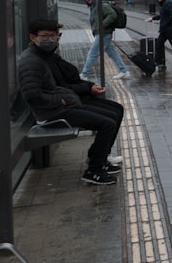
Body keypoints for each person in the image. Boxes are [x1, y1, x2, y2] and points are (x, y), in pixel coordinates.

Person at [17, 19, 124, 185]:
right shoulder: (31, 61)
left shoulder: (44, 55)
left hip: (61, 105)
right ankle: (93, 170)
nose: (51, 40)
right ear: (33, 37)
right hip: (52, 113)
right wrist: (61, 100)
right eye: (46, 36)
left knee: (115, 111)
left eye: (54, 36)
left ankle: (99, 160)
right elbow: (32, 96)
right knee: (107, 123)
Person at [79, 0, 130, 81]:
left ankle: (84, 74)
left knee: (92, 53)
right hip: (102, 33)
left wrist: (102, 25)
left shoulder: (102, 5)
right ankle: (124, 71)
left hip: (104, 33)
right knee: (112, 53)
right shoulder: (93, 6)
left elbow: (112, 15)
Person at [146, 0, 172, 72]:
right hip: (165, 30)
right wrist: (153, 18)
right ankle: (158, 63)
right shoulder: (164, 4)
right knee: (158, 45)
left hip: (169, 30)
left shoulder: (168, 3)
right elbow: (163, 15)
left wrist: (165, 25)